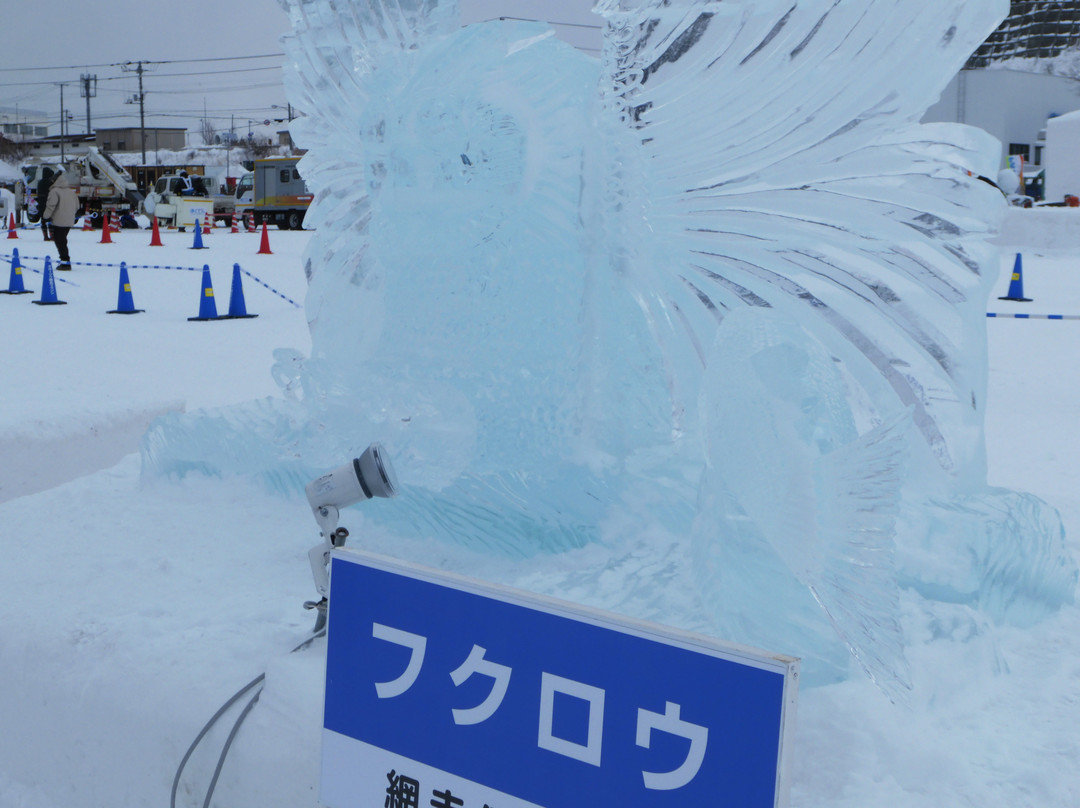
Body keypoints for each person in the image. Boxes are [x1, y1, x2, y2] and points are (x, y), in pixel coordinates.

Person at [42, 171, 78, 270]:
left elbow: (51, 206)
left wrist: (45, 217)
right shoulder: (71, 192)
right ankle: (65, 261)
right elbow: (77, 206)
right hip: (69, 221)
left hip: (58, 221)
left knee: (60, 242)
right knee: (62, 241)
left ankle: (65, 262)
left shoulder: (54, 191)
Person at [37, 167, 56, 241]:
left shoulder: (40, 182)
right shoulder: (50, 183)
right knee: (51, 219)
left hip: (41, 203)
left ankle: (45, 236)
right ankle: (52, 235)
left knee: (43, 220)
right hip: (49, 203)